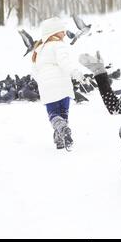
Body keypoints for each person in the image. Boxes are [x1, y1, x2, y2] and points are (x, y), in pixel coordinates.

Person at [32, 17, 84, 150]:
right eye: (62, 31)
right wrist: (74, 72)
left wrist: (43, 83)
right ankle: (62, 132)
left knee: (54, 114)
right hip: (62, 86)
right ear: (53, 33)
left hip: (47, 89)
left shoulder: (38, 50)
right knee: (63, 113)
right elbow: (64, 62)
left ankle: (60, 137)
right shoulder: (58, 45)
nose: (65, 34)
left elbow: (34, 71)